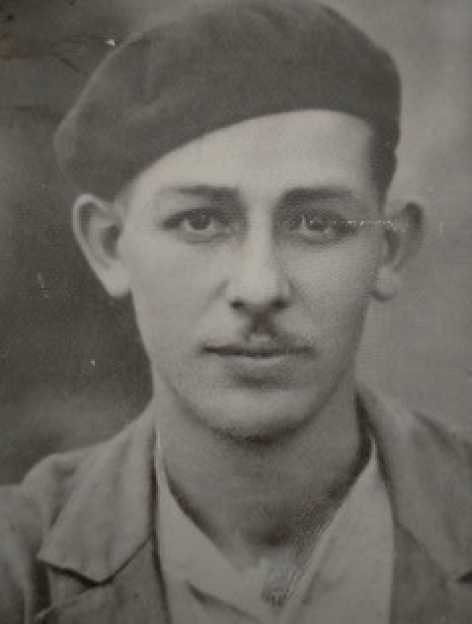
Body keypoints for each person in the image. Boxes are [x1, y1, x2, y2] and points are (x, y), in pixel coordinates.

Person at [1, 1, 472, 622]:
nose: (259, 286)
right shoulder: (16, 568)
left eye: (317, 223)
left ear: (388, 248)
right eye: (200, 221)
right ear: (110, 246)